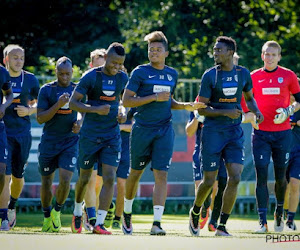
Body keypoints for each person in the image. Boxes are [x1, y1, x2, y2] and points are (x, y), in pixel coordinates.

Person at [121, 31, 205, 236]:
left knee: (161, 175)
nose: (154, 52)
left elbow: (168, 101)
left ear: (166, 52)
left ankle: (156, 223)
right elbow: (127, 101)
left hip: (164, 130)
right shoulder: (140, 72)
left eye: (158, 49)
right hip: (141, 129)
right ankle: (127, 213)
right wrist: (153, 97)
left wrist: (185, 106)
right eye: (151, 49)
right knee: (135, 174)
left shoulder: (172, 74)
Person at [189, 36, 263, 237]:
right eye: (214, 50)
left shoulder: (243, 73)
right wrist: (224, 112)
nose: (215, 53)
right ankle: (196, 210)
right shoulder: (209, 76)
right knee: (208, 181)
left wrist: (256, 111)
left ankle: (221, 226)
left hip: (234, 133)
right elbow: (202, 109)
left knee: (235, 177)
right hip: (212, 133)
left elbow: (250, 98)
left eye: (219, 50)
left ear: (230, 52)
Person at [70, 42, 127, 235]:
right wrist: (95, 109)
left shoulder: (122, 78)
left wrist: (122, 112)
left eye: (120, 64)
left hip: (111, 135)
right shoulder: (91, 77)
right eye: (113, 62)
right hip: (90, 135)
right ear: (107, 57)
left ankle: (99, 223)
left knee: (109, 177)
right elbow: (73, 103)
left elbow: (122, 102)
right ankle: (78, 210)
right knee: (85, 178)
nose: (116, 67)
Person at [251, 41, 300, 233]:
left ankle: (279, 213)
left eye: (273, 54)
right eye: (266, 54)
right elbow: (246, 102)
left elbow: (299, 101)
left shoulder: (288, 76)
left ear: (279, 57)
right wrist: (251, 116)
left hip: (282, 135)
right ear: (262, 56)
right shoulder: (253, 76)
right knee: (261, 177)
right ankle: (262, 221)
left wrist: (288, 110)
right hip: (261, 134)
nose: (269, 57)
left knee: (281, 178)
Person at [37, 56, 82, 233]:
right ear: (56, 72)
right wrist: (59, 104)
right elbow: (41, 118)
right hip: (49, 142)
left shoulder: (77, 89)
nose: (65, 77)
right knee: (46, 182)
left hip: (69, 141)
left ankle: (57, 211)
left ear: (72, 72)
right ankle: (47, 216)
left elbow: (82, 111)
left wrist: (79, 122)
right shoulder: (46, 90)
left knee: (65, 179)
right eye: (61, 73)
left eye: (68, 73)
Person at [1, 44, 40, 230]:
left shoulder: (30, 80)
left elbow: (42, 102)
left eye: (21, 58)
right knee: (5, 175)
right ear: (6, 59)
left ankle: (11, 206)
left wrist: (30, 110)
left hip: (23, 134)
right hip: (4, 133)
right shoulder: (2, 76)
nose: (18, 61)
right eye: (14, 57)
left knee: (17, 177)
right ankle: (2, 216)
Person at [82, 48, 107, 231]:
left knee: (100, 183)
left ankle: (89, 211)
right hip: (90, 133)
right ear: (91, 65)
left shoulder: (116, 77)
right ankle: (92, 219)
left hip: (108, 135)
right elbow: (78, 103)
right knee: (90, 180)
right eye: (97, 64)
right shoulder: (87, 78)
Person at [284, 94, 300, 231]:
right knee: (283, 185)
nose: (292, 97)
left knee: (295, 183)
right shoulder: (281, 106)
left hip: (298, 152)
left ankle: (290, 219)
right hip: (282, 150)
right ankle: (282, 211)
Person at [0, 64, 13, 231]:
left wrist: (3, 105)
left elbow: (9, 94)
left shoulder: (2, 71)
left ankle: (3, 215)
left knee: (2, 170)